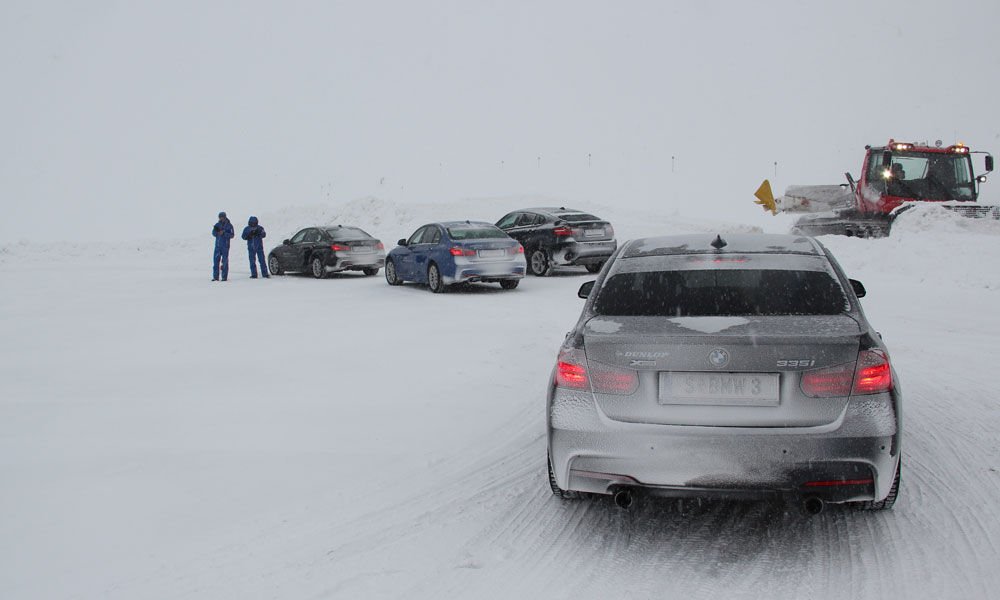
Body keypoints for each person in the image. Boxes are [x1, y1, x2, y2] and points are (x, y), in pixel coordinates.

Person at [212, 212, 235, 281]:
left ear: (225, 217)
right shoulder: (217, 224)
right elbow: (213, 233)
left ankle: (224, 277)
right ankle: (215, 277)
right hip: (217, 246)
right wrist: (217, 232)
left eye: (222, 217)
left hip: (225, 246)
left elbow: (232, 235)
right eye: (220, 217)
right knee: (216, 262)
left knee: (224, 262)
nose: (221, 218)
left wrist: (224, 233)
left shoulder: (229, 226)